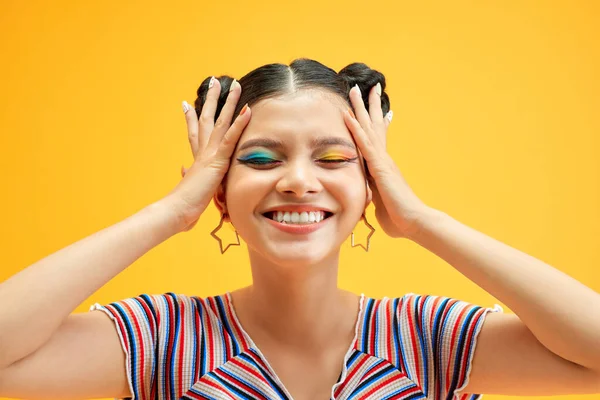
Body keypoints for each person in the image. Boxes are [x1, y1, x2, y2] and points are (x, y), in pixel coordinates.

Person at [0, 58, 598, 400]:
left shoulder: (425, 337)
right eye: (260, 159)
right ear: (221, 196)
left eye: (333, 159)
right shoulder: (165, 339)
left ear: (371, 188)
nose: (296, 181)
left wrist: (422, 221)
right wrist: (170, 212)